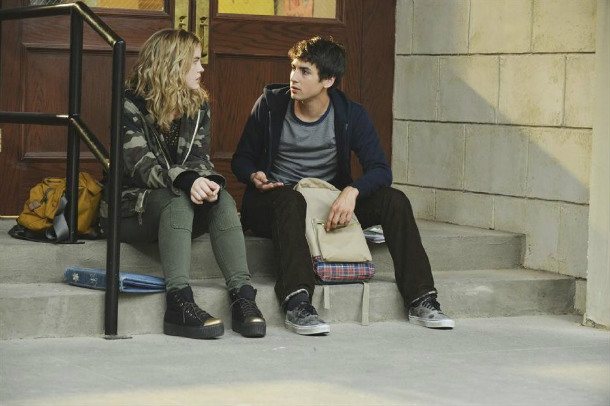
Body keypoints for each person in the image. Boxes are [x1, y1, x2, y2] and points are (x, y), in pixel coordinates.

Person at [231, 36, 454, 335]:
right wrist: (254, 174)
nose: (294, 77)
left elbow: (380, 170)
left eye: (305, 71)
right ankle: (297, 302)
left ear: (328, 80)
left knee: (395, 199)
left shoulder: (350, 114)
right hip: (277, 200)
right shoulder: (271, 105)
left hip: (328, 203)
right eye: (294, 68)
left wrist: (352, 191)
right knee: (290, 199)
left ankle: (421, 298)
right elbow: (241, 159)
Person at [103, 28, 266, 339]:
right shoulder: (129, 105)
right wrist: (187, 180)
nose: (202, 68)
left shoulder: (197, 104)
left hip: (178, 209)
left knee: (222, 197)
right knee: (177, 198)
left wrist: (206, 182)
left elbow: (199, 160)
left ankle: (243, 297)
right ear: (171, 63)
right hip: (131, 210)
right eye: (195, 61)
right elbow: (141, 168)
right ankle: (178, 302)